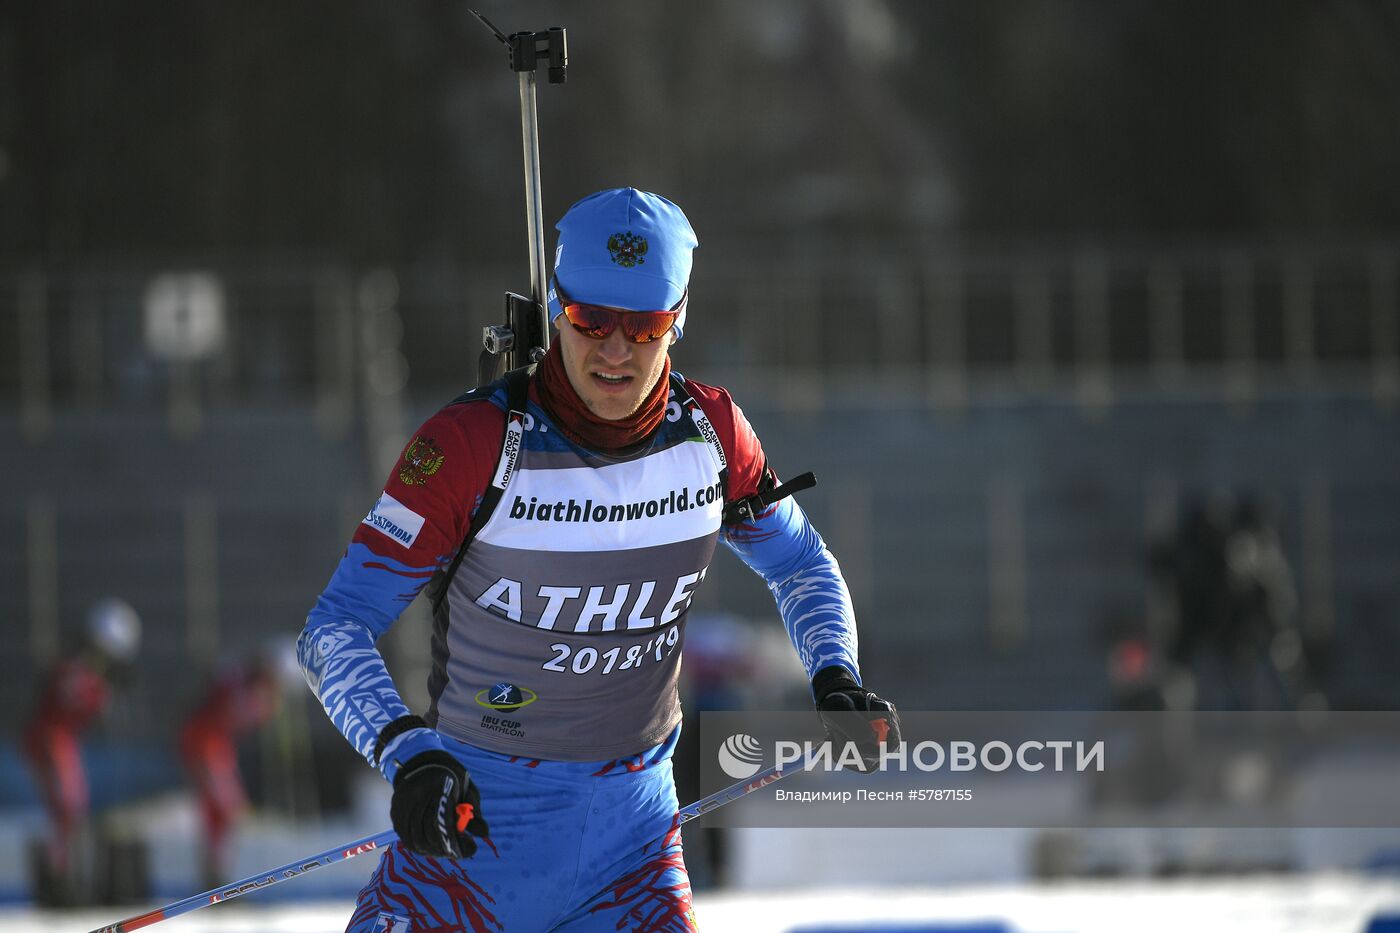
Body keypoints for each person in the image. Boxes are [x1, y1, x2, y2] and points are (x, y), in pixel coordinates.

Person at [299, 187, 901, 932]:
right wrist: (406, 752)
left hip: (631, 866)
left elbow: (802, 563)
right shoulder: (471, 446)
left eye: (643, 326)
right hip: (465, 857)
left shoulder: (711, 439)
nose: (614, 351)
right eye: (590, 320)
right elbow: (333, 628)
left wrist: (836, 677)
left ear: (677, 319)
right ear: (557, 305)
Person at [22, 597, 142, 905]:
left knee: (71, 811)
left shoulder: (86, 671)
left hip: (64, 741)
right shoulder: (75, 669)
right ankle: (58, 881)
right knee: (67, 809)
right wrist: (102, 693)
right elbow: (69, 702)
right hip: (53, 740)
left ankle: (64, 877)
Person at [178, 641, 297, 889]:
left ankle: (217, 877)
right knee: (223, 809)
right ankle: (213, 879)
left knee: (227, 812)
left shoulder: (254, 690)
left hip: (217, 745)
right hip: (205, 743)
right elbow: (224, 706)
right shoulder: (244, 685)